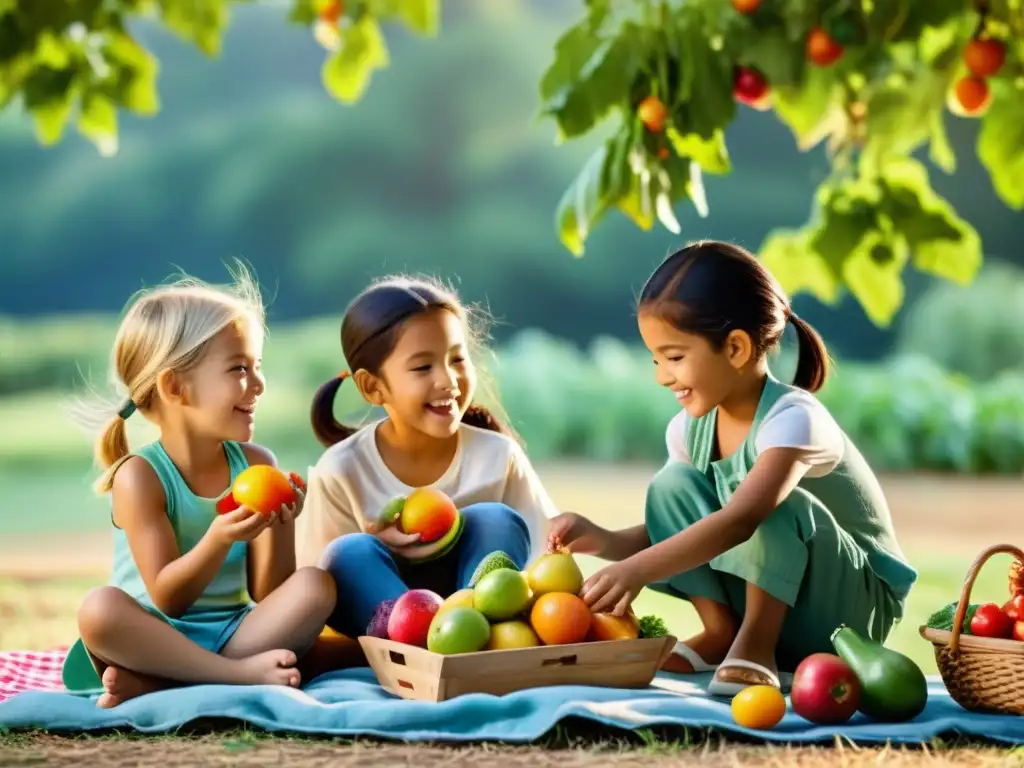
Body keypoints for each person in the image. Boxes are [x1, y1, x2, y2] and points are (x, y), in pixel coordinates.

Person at [548, 241, 917, 697]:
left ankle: (756, 647)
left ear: (737, 348)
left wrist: (637, 571)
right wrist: (604, 540)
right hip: (784, 591)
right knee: (672, 486)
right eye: (656, 359)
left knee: (770, 506)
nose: (662, 376)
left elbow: (742, 520)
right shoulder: (689, 429)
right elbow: (680, 525)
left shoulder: (792, 419)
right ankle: (721, 631)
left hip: (849, 612)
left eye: (675, 357)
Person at [63, 265, 337, 708]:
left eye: (257, 366)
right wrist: (218, 537)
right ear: (176, 386)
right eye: (239, 368)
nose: (259, 383)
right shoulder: (140, 476)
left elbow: (269, 593)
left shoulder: (255, 464)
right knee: (98, 609)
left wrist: (281, 523)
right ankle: (233, 677)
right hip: (154, 639)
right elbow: (169, 598)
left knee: (316, 586)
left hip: (234, 633)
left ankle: (168, 685)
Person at [297, 275, 558, 640]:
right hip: (395, 630)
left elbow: (550, 556)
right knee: (348, 552)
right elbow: (315, 589)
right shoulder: (342, 469)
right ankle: (422, 647)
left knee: (494, 519)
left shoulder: (497, 455)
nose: (448, 380)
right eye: (423, 367)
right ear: (373, 387)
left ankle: (471, 637)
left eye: (457, 359)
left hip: (477, 621)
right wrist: (379, 543)